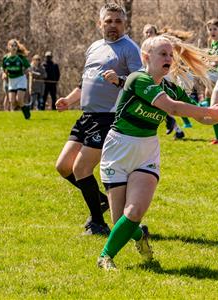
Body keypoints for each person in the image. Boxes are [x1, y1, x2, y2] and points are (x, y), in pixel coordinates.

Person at [96, 34, 218, 270]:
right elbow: (172, 108)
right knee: (121, 222)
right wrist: (206, 111)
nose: (169, 58)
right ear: (146, 57)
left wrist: (213, 115)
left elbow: (197, 114)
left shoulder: (171, 88)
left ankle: (105, 257)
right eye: (163, 54)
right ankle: (139, 236)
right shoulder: (138, 79)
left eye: (170, 55)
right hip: (118, 148)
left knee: (134, 211)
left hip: (146, 151)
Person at [55, 3, 142, 235]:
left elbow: (141, 81)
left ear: (125, 23)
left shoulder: (129, 48)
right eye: (108, 21)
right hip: (86, 116)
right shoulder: (94, 47)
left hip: (109, 117)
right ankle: (100, 201)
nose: (113, 25)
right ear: (100, 23)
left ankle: (98, 223)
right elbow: (85, 83)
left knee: (82, 167)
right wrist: (69, 100)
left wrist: (120, 80)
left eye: (118, 21)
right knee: (63, 167)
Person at [142, 24, 188, 139]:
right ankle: (177, 129)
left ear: (155, 33)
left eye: (150, 31)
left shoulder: (162, 45)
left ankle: (173, 124)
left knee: (165, 105)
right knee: (160, 106)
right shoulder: (144, 50)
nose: (148, 34)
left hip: (165, 78)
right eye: (146, 32)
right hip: (152, 81)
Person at [1, 39, 31, 119]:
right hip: (11, 81)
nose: (14, 47)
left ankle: (26, 114)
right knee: (13, 102)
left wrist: (26, 72)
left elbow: (28, 67)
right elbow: (3, 69)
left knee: (19, 99)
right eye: (12, 46)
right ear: (8, 47)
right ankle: (25, 107)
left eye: (15, 46)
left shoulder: (20, 57)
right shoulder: (5, 58)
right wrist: (4, 74)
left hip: (20, 79)